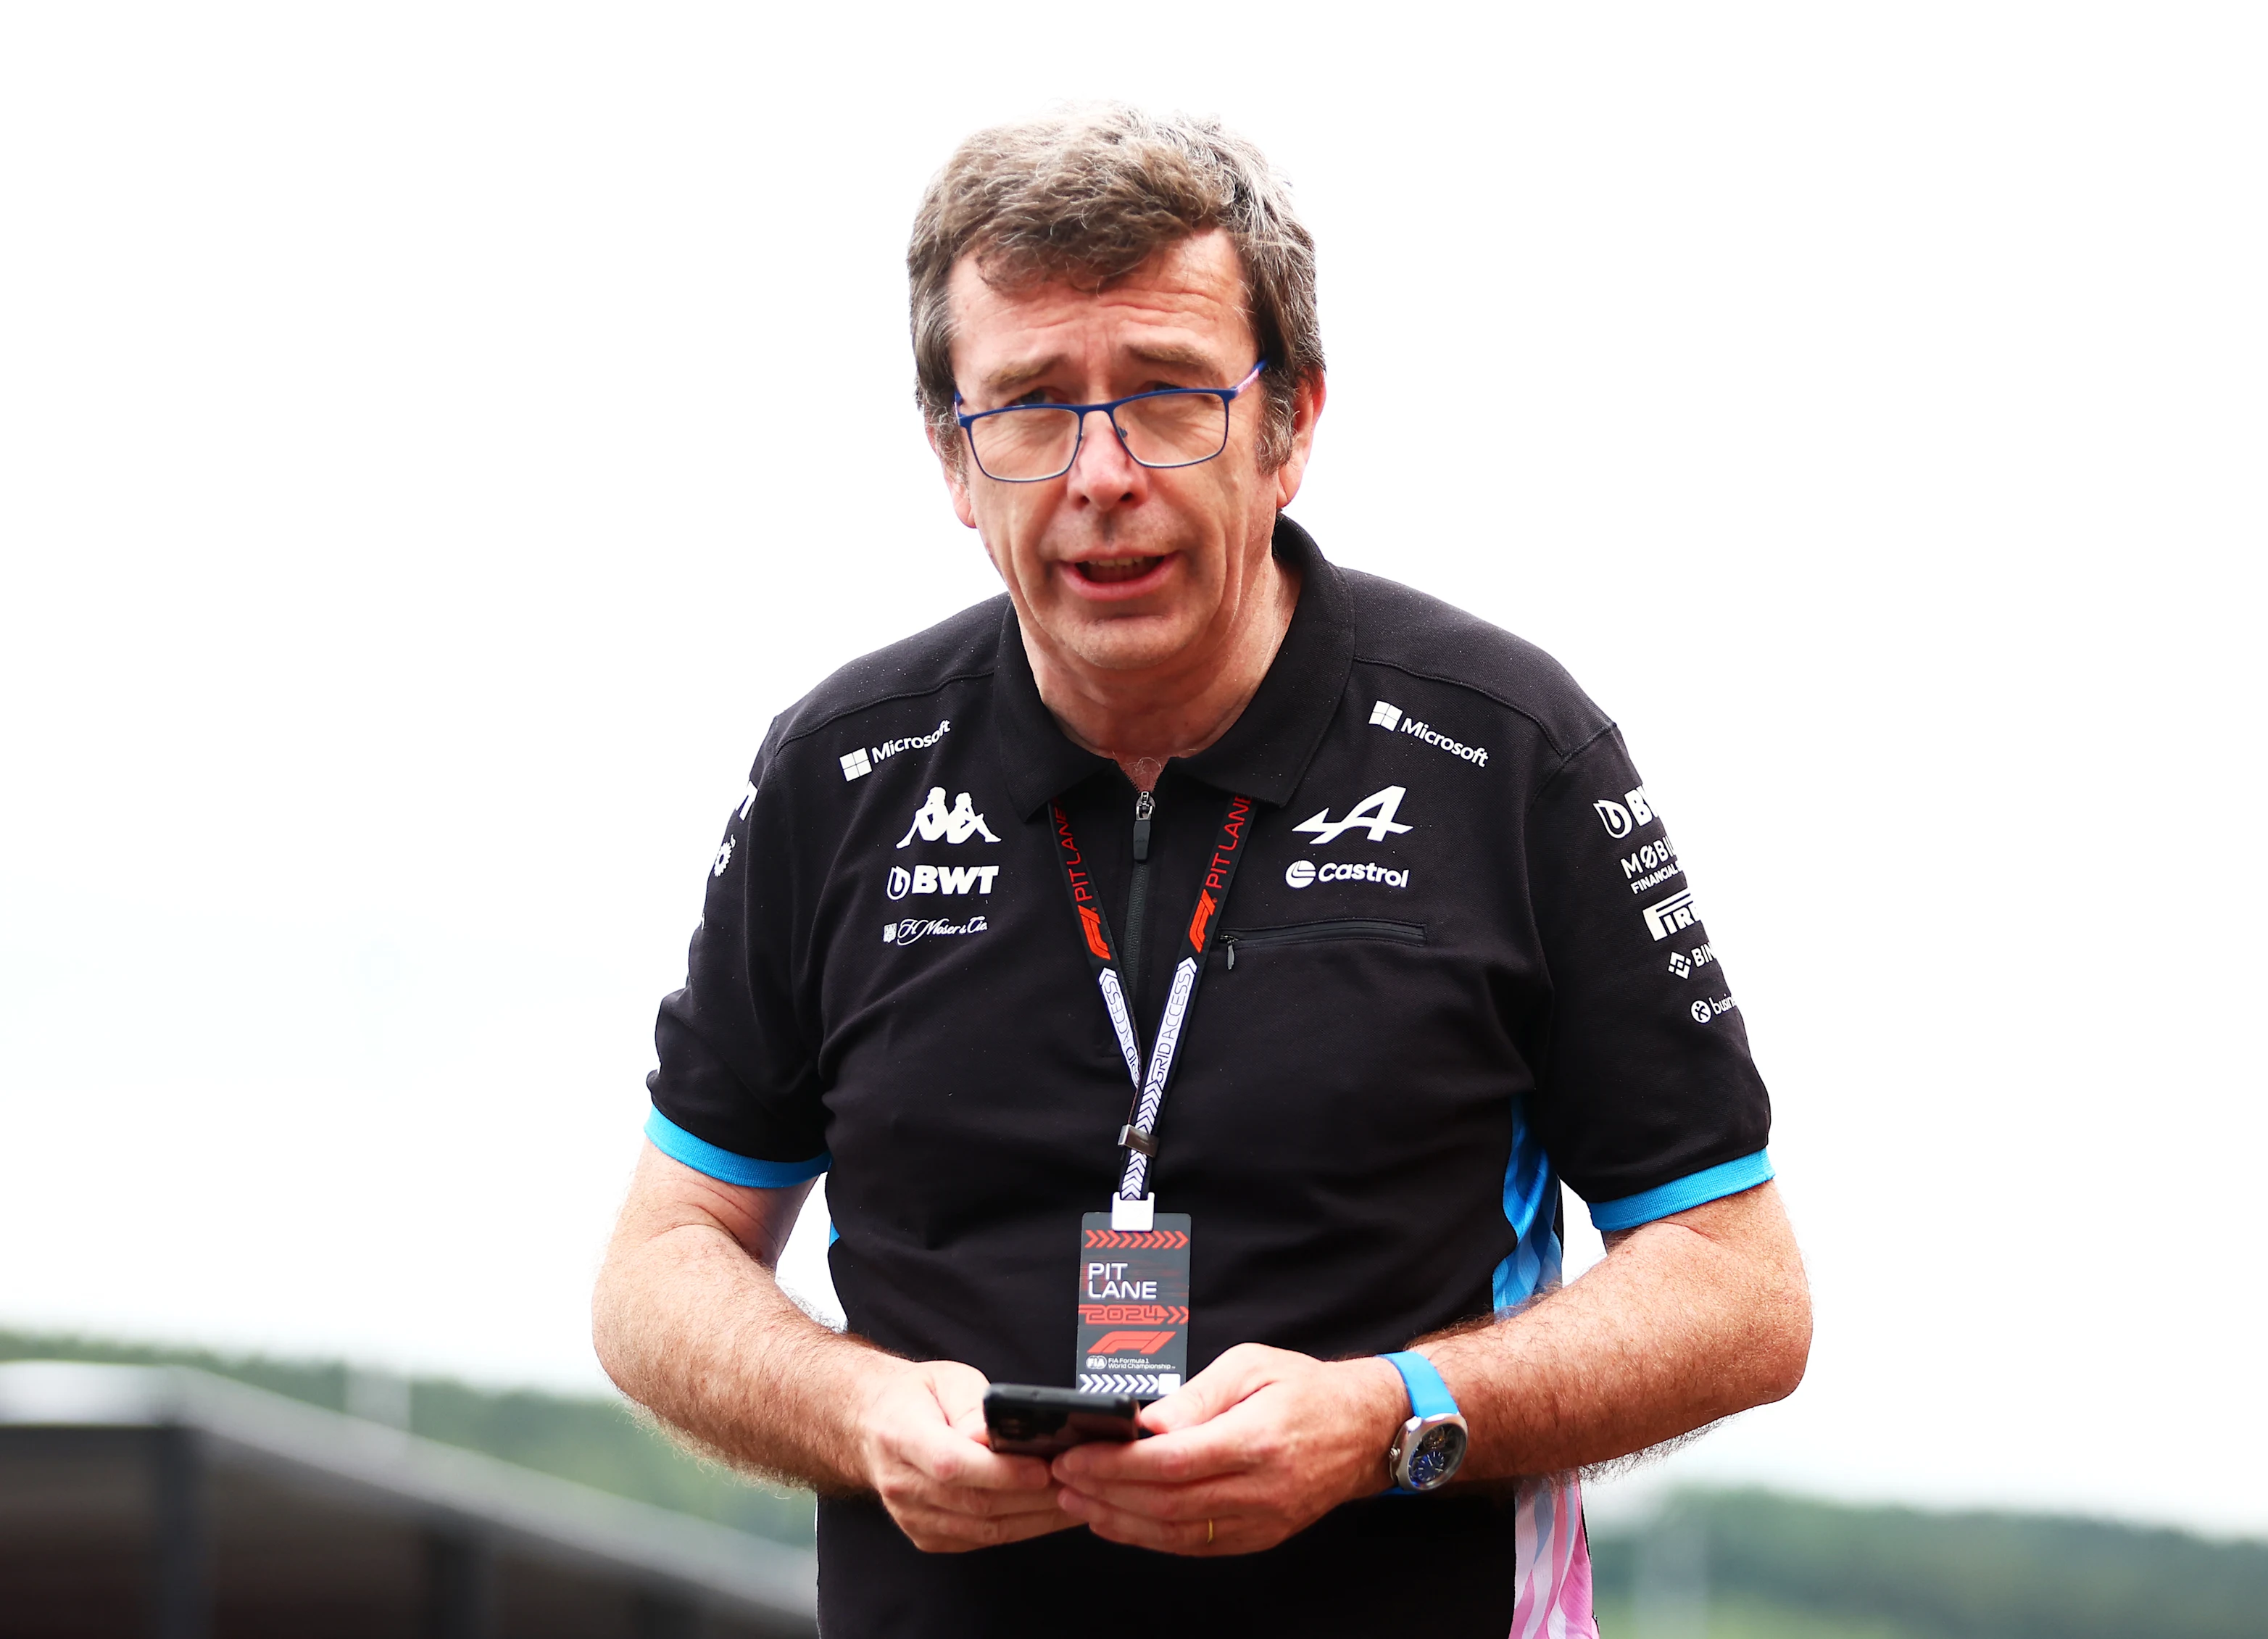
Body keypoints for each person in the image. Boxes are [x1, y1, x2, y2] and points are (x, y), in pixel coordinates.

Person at [592, 105, 1811, 1638]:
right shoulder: (840, 770)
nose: (1100, 472)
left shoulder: (1513, 753)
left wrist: (1391, 1413)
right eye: (1030, 406)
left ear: (1290, 422)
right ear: (953, 461)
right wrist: (854, 1407)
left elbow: (1736, 1282)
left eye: (1169, 396)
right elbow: (660, 1260)